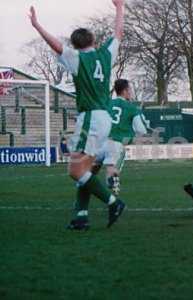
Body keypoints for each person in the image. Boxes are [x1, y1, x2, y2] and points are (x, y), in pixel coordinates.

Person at [29, 0, 126, 230]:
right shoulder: (106, 54)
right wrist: (120, 7)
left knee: (75, 170)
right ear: (93, 40)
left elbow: (55, 45)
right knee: (86, 170)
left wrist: (36, 25)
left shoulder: (76, 59)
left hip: (90, 118)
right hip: (104, 117)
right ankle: (80, 217)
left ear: (75, 44)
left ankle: (114, 202)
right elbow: (119, 32)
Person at [93, 79, 149, 195]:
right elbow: (140, 130)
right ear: (125, 91)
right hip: (115, 144)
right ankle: (111, 181)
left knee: (90, 174)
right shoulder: (132, 108)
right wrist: (144, 127)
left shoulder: (106, 103)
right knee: (111, 167)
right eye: (130, 90)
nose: (131, 92)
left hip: (98, 143)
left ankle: (82, 205)